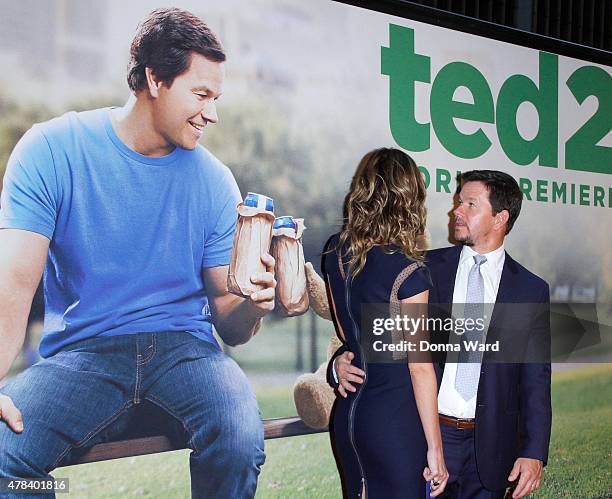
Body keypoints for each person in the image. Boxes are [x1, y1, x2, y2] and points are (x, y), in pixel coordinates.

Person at [0, 8, 273, 499]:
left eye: (217, 98)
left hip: (185, 353)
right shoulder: (50, 150)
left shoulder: (215, 182)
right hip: (83, 356)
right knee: (3, 454)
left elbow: (229, 321)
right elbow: (13, 287)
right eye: (202, 94)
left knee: (238, 438)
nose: (212, 113)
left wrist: (255, 300)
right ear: (154, 78)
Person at [335, 170, 552, 499]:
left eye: (470, 204)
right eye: (458, 202)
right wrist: (341, 360)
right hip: (427, 437)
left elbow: (536, 379)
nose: (457, 211)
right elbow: (372, 331)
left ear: (500, 218)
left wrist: (534, 451)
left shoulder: (529, 289)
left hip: (492, 445)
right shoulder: (423, 269)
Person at [322, 148, 449, 498]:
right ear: (410, 199)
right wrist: (436, 450)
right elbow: (419, 368)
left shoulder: (334, 252)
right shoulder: (408, 271)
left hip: (349, 419)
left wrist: (339, 364)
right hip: (395, 424)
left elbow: (348, 334)